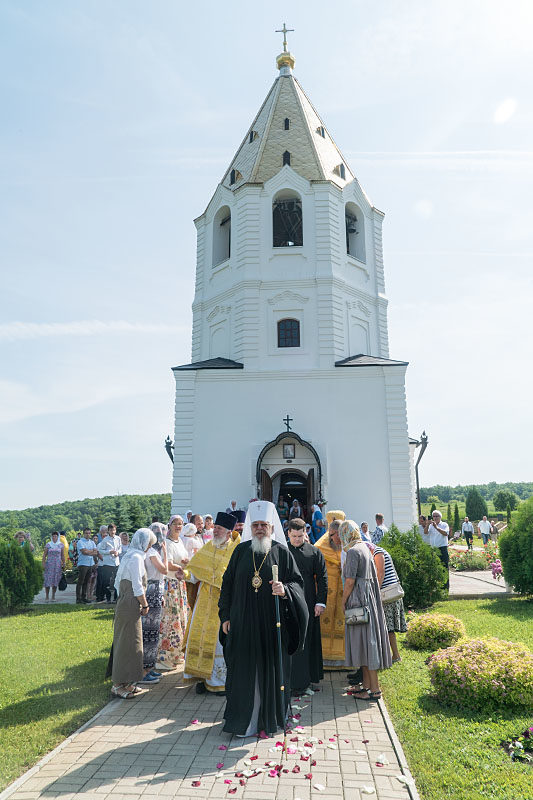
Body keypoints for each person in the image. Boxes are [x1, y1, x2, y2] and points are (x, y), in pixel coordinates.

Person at [219, 500, 308, 737]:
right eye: (256, 525)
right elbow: (226, 585)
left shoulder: (281, 551)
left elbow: (298, 584)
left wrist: (285, 590)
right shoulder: (240, 551)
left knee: (268, 672)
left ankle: (269, 717)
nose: (259, 529)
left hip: (271, 625)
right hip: (243, 623)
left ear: (271, 527)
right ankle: (244, 722)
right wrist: (225, 616)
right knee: (245, 672)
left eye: (264, 525)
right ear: (251, 527)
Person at [184, 512, 239, 694]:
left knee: (217, 642)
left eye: (219, 529)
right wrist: (183, 575)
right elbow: (195, 571)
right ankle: (203, 678)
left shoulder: (235, 550)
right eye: (215, 528)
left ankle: (219, 682)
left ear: (228, 532)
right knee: (199, 637)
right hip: (204, 600)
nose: (215, 531)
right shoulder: (209, 547)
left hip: (222, 603)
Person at [341, 520, 392, 701]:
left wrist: (343, 600)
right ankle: (368, 686)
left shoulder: (354, 551)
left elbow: (349, 581)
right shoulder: (364, 547)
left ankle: (374, 690)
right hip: (369, 598)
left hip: (359, 600)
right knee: (365, 643)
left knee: (366, 642)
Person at [107, 529, 156, 699]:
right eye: (149, 544)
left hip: (125, 601)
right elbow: (137, 586)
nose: (150, 547)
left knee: (132, 642)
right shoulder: (136, 558)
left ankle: (128, 682)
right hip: (131, 603)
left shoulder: (129, 555)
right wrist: (144, 604)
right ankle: (117, 685)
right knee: (126, 644)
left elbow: (116, 583)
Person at [287, 518, 327, 695]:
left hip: (310, 603)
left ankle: (306, 681)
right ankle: (289, 681)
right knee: (290, 641)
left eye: (300, 535)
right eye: (293, 536)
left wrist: (320, 602)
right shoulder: (282, 551)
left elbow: (323, 579)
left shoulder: (314, 552)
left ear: (306, 533)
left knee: (308, 640)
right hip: (287, 603)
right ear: (288, 533)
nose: (296, 539)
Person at [364, 541, 406, 663]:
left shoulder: (378, 552)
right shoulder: (378, 551)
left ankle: (395, 655)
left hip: (388, 595)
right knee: (387, 627)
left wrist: (375, 593)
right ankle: (391, 654)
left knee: (388, 627)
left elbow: (380, 574)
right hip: (388, 594)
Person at [157, 516, 189, 671]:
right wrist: (182, 567)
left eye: (181, 524)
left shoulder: (180, 541)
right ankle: (165, 657)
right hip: (171, 585)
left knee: (181, 619)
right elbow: (168, 563)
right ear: (169, 525)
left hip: (180, 584)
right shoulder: (167, 543)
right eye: (175, 524)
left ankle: (177, 654)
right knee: (171, 620)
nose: (178, 526)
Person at [315, 510, 347, 668]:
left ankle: (345, 659)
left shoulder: (349, 543)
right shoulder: (320, 546)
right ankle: (325, 658)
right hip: (328, 590)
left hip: (344, 589)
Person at [139, 527, 168, 685]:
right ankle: (143, 671)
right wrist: (166, 553)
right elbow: (164, 569)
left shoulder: (153, 552)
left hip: (156, 590)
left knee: (154, 632)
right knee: (148, 633)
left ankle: (149, 667)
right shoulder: (150, 553)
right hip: (151, 591)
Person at [422, 510, 450, 590]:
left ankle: (445, 588)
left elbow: (446, 533)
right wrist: (427, 524)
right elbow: (425, 532)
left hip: (442, 549)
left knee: (444, 568)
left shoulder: (444, 524)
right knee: (435, 568)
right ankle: (437, 588)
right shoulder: (430, 525)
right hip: (434, 549)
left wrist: (436, 527)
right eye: (433, 516)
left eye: (437, 516)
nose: (435, 518)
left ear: (440, 517)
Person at [96, 524, 122, 603]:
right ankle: (108, 598)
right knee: (106, 581)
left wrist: (118, 552)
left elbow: (120, 548)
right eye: (111, 530)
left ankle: (115, 598)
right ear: (108, 531)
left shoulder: (118, 538)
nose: (112, 532)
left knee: (116, 580)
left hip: (116, 562)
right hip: (107, 563)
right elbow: (101, 551)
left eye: (114, 530)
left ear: (115, 530)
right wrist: (109, 552)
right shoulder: (105, 540)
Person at [76, 528, 98, 604]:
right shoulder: (80, 542)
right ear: (83, 533)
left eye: (89, 533)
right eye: (86, 533)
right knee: (80, 581)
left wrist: (89, 552)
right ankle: (78, 598)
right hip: (83, 564)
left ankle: (84, 597)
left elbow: (96, 553)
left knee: (87, 582)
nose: (88, 534)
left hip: (90, 564)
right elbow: (84, 552)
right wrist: (91, 551)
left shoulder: (92, 542)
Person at [42, 531, 65, 602]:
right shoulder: (48, 544)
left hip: (57, 565)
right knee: (48, 580)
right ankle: (46, 596)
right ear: (51, 537)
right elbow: (44, 555)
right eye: (53, 536)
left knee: (55, 580)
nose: (54, 537)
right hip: (49, 564)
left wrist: (64, 563)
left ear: (58, 537)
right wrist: (43, 563)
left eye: (55, 536)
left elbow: (62, 555)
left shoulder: (61, 545)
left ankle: (53, 596)